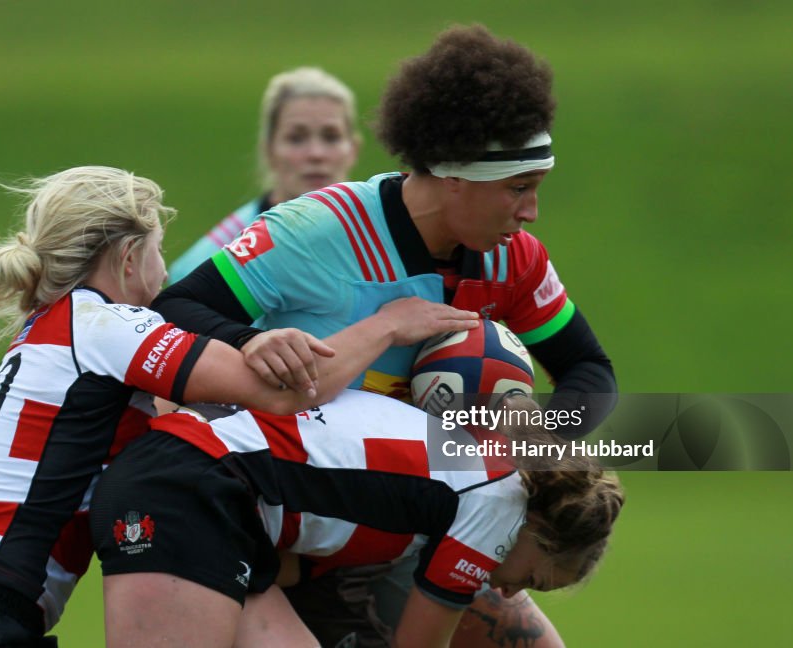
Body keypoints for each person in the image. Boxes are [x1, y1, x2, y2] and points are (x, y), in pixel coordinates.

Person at [0, 166, 478, 648]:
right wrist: (390, 325)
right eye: (158, 248)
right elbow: (287, 394)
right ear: (128, 257)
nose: (165, 269)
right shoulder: (107, 324)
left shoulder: (47, 325)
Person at [152, 24, 618, 646]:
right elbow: (172, 308)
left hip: (415, 532)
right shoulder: (315, 233)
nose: (530, 211)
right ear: (456, 175)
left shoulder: (515, 259)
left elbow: (590, 370)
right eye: (519, 188)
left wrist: (531, 438)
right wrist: (249, 342)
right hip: (287, 528)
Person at [89, 390, 624, 648]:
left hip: (210, 500)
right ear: (539, 528)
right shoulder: (501, 500)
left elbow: (291, 564)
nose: (509, 595)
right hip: (192, 485)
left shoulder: (445, 499)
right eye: (531, 579)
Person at [167, 66, 361, 283]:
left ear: (353, 150)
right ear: (268, 150)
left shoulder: (390, 235)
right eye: (296, 138)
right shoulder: (205, 265)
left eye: (331, 137)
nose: (316, 154)